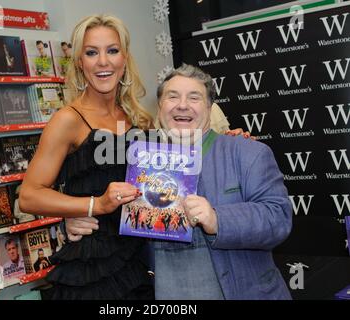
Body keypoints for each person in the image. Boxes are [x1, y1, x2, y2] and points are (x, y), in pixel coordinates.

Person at [66, 64, 293, 300]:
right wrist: (83, 218)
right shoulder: (139, 161)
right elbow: (121, 224)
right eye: (172, 97)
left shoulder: (248, 152)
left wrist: (217, 218)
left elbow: (278, 218)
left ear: (209, 106)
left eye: (194, 97)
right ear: (161, 106)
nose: (182, 105)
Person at [19, 14, 155, 300]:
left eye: (112, 50)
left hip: (140, 258)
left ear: (125, 58)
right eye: (92, 52)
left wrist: (225, 142)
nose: (103, 62)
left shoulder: (137, 117)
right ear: (80, 62)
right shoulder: (68, 120)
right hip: (94, 268)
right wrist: (94, 205)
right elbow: (29, 196)